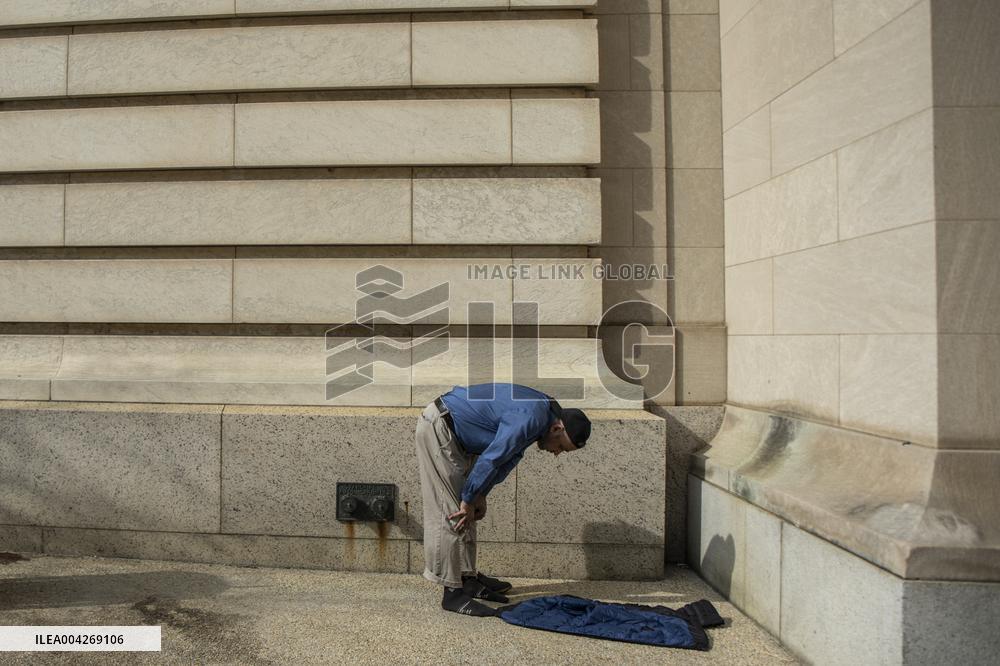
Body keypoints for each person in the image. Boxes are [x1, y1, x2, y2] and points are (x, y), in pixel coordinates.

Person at [414, 383, 592, 616]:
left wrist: (480, 495)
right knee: (451, 512)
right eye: (561, 447)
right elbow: (492, 458)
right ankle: (451, 593)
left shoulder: (543, 416)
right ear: (557, 428)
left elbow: (507, 458)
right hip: (440, 428)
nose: (557, 453)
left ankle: (466, 578)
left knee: (467, 511)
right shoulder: (532, 417)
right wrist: (469, 498)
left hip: (460, 437)